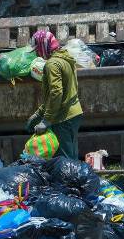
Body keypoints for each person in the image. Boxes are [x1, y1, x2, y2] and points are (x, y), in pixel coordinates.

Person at [26, 30, 84, 159]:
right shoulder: (66, 58)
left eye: (37, 49)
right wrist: (39, 113)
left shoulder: (52, 64)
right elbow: (61, 93)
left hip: (63, 117)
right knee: (72, 156)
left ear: (43, 45)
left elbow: (56, 93)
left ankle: (69, 180)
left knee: (65, 162)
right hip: (74, 114)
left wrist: (46, 120)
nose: (37, 53)